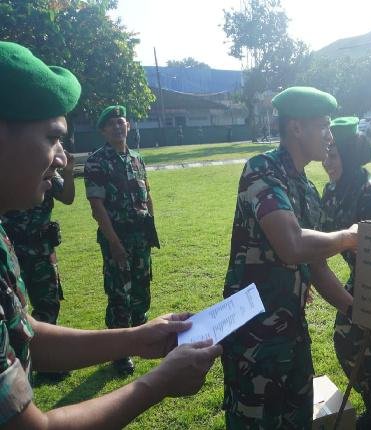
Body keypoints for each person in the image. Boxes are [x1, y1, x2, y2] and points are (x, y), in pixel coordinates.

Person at [0, 40, 221, 430]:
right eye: (52, 138)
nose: (62, 158)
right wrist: (158, 383)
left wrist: (136, 337)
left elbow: (26, 337)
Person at [221, 86, 363, 429]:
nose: (330, 136)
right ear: (297, 127)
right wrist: (348, 238)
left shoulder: (307, 189)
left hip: (292, 334)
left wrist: (356, 311)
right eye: (324, 125)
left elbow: (316, 267)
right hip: (254, 338)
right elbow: (292, 244)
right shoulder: (262, 170)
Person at [320, 117, 371, 429]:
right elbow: (320, 239)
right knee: (348, 343)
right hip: (359, 275)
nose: (326, 162)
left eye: (333, 155)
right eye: (326, 154)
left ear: (350, 156)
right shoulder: (332, 190)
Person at [84, 105, 160, 375]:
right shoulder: (96, 161)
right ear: (104, 130)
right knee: (119, 293)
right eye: (112, 123)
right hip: (117, 237)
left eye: (121, 122)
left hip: (141, 237)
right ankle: (120, 352)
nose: (118, 126)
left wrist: (151, 227)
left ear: (128, 126)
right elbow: (97, 206)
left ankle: (141, 336)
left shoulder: (137, 159)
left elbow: (147, 194)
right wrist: (114, 242)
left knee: (141, 288)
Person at [0, 146, 75, 381]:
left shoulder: (49, 174)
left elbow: (68, 198)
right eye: (51, 139)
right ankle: (20, 361)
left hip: (42, 249)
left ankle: (47, 363)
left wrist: (69, 173)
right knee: (13, 308)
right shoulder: (12, 176)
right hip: (14, 249)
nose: (58, 155)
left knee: (48, 303)